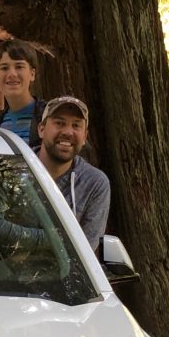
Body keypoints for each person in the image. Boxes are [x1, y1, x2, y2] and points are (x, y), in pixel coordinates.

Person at [37, 95, 111, 254]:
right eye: (59, 123)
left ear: (84, 137)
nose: (68, 132)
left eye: (76, 125)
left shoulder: (94, 184)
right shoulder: (16, 170)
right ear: (41, 129)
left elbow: (83, 253)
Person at [0, 38, 49, 147]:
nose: (12, 74)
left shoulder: (49, 116)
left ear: (32, 74)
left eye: (19, 67)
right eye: (4, 68)